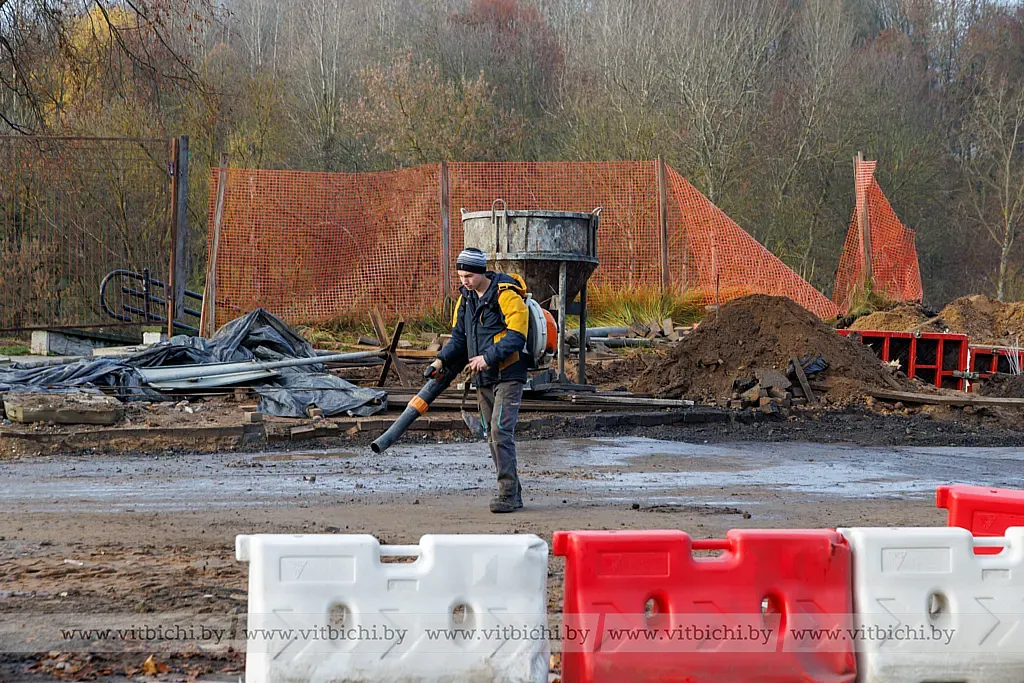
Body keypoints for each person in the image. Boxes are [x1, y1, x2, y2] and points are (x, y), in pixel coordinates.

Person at [426, 247, 529, 513]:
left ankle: (508, 494)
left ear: (482, 272)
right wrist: (440, 360)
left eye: (469, 275)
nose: (464, 281)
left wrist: (487, 358)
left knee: (500, 431)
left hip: (508, 374)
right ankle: (512, 490)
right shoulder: (465, 300)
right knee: (491, 435)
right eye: (461, 276)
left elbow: (517, 336)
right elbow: (459, 339)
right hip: (483, 378)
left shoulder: (506, 295)